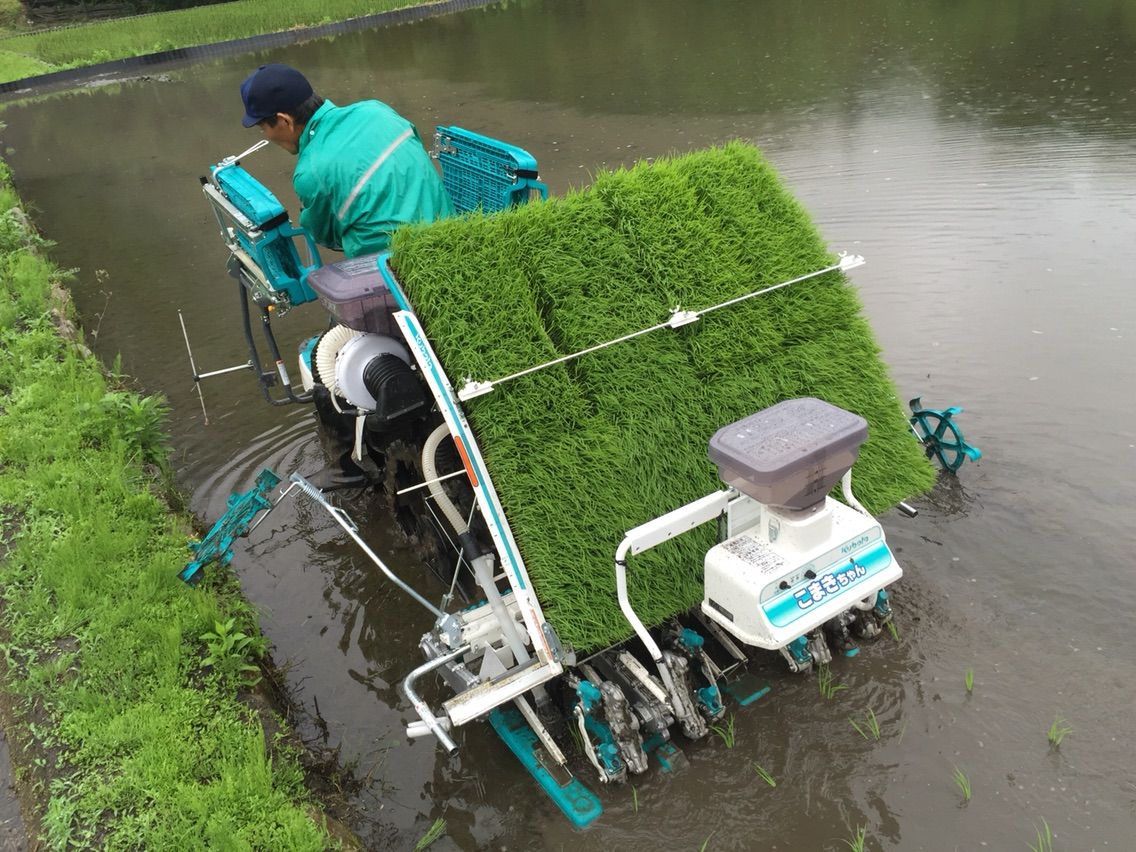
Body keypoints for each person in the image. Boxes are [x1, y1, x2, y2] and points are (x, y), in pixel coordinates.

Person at [239, 63, 454, 258]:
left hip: (393, 266)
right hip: (452, 236)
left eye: (263, 128)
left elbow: (325, 235)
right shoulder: (377, 110)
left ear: (284, 120)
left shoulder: (310, 171)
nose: (266, 135)